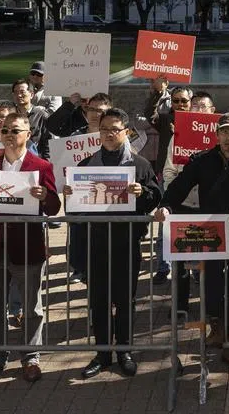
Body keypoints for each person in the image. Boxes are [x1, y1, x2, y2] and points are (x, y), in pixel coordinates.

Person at [154, 112, 229, 372]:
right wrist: (166, 205)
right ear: (217, 136)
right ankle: (217, 326)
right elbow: (180, 186)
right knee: (212, 284)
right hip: (212, 236)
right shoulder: (202, 161)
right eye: (224, 133)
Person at [0, 113, 61, 383]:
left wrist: (46, 196)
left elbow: (53, 209)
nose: (9, 134)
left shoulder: (41, 166)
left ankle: (31, 358)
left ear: (28, 134)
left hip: (27, 247)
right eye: (5, 130)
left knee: (31, 308)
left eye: (15, 130)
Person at [71, 108, 160, 380]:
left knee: (124, 299)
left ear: (126, 132)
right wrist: (70, 194)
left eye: (116, 129)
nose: (110, 134)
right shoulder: (87, 165)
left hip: (126, 242)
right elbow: (75, 209)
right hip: (95, 242)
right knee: (98, 300)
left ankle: (124, 351)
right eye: (105, 129)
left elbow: (156, 197)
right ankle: (102, 354)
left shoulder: (140, 165)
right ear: (99, 133)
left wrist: (142, 192)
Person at [152, 86, 194, 285]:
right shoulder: (164, 119)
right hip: (167, 177)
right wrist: (157, 92)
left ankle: (194, 270)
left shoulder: (199, 123)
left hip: (195, 183)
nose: (180, 105)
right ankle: (163, 266)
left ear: (190, 102)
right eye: (176, 101)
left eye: (184, 101)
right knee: (165, 226)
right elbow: (147, 114)